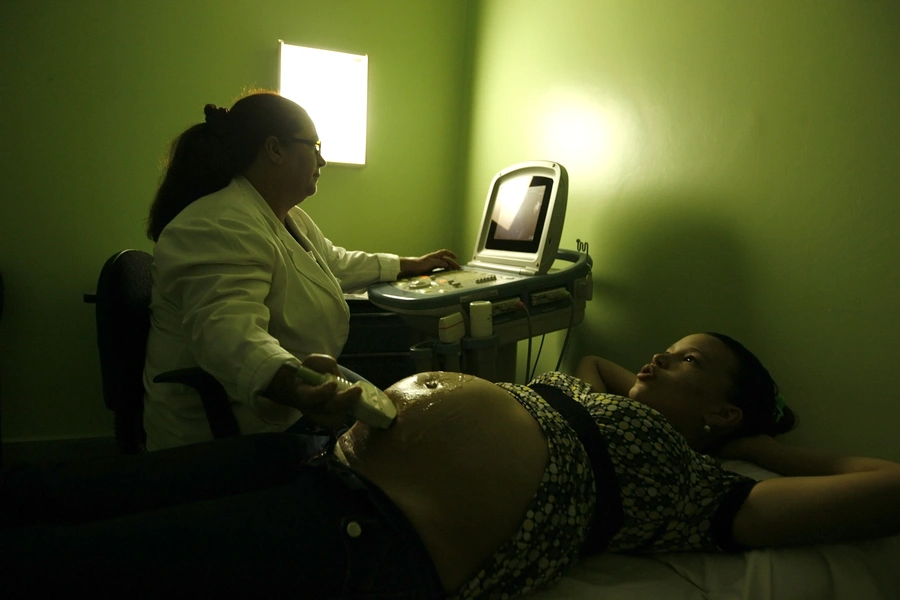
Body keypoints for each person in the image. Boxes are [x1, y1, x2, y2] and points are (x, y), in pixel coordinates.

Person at [2, 333, 899, 599]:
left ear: (726, 412)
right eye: (660, 350)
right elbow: (595, 369)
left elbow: (887, 482)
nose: (655, 362)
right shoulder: (600, 393)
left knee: (61, 564)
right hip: (317, 455)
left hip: (367, 532)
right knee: (56, 488)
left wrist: (753, 448)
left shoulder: (702, 492)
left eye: (687, 362)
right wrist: (665, 389)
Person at [142, 90, 459, 450]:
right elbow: (228, 332)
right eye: (314, 145)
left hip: (286, 407)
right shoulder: (219, 225)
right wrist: (293, 384)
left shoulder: (288, 218)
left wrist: (407, 265)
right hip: (228, 431)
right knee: (398, 449)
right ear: (275, 149)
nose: (321, 160)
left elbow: (335, 263)